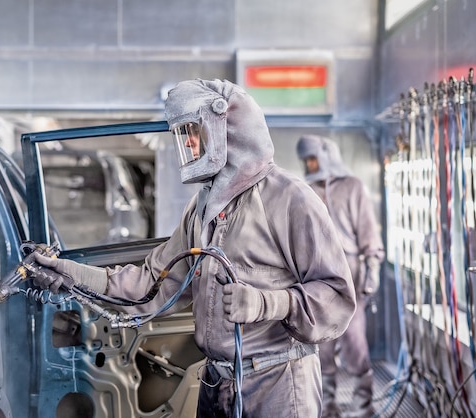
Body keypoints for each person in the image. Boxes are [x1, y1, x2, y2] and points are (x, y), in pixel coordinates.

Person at [32, 79, 356, 417]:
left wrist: (269, 302)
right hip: (217, 382)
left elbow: (337, 299)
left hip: (278, 385)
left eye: (193, 131)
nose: (187, 143)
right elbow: (152, 284)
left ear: (225, 128)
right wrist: (74, 275)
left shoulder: (290, 198)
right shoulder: (202, 207)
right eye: (182, 134)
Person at [296, 135, 385, 418]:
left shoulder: (353, 187)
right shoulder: (306, 192)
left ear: (326, 156)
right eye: (306, 160)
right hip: (317, 273)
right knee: (322, 346)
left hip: (350, 273)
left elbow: (369, 232)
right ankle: (328, 407)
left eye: (312, 159)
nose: (309, 165)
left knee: (354, 342)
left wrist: (372, 269)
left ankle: (363, 406)